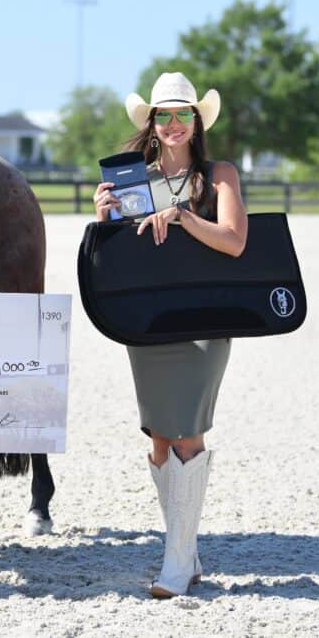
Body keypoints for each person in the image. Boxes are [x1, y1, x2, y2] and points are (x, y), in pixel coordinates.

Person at [92, 71, 248, 598]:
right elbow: (122, 256)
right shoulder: (135, 178)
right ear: (153, 124)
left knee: (187, 431)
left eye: (184, 113)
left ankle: (177, 563)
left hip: (206, 319)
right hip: (150, 320)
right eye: (166, 115)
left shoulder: (219, 174)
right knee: (160, 438)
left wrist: (182, 216)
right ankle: (187, 550)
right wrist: (105, 221)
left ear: (197, 120)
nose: (175, 123)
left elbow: (233, 242)